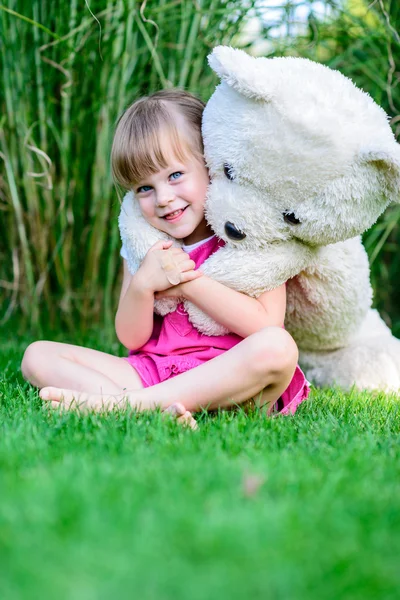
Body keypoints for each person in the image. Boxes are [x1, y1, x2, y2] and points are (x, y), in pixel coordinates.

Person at [21, 89, 309, 424]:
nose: (163, 198)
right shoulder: (144, 242)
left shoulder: (246, 234)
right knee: (36, 356)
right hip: (156, 372)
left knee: (278, 347)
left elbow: (266, 325)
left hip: (232, 380)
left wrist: (188, 285)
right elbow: (131, 338)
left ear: (209, 165)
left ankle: (122, 406)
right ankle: (152, 408)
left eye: (175, 176)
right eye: (144, 188)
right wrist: (143, 284)